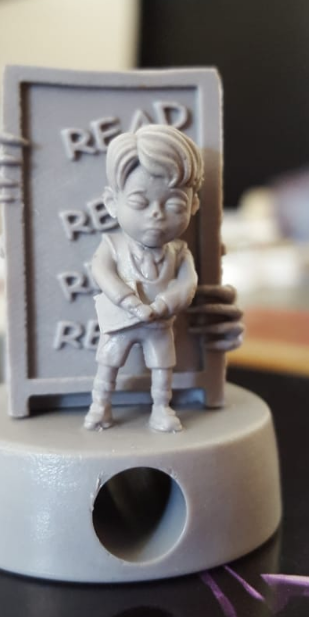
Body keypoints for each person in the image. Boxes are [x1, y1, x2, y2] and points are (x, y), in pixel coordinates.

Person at [84, 124, 203, 433]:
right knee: (108, 363)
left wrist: (164, 304)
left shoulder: (179, 252)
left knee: (163, 368)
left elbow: (187, 284)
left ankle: (161, 408)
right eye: (140, 202)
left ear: (193, 205)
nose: (156, 214)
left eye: (174, 204)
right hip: (120, 321)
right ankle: (100, 405)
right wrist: (128, 301)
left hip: (159, 324)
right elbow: (102, 272)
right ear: (112, 203)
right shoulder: (112, 245)